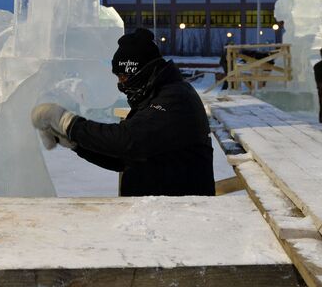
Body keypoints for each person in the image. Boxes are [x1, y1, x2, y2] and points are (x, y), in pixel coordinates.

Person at [31, 27, 215, 197]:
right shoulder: (153, 95)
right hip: (159, 210)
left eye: (124, 77)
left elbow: (127, 141)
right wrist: (75, 143)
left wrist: (67, 123)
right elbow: (122, 158)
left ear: (142, 71)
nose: (121, 85)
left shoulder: (176, 98)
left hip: (181, 214)